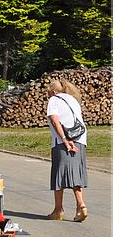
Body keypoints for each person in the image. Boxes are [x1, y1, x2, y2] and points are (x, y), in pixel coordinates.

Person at [45, 79, 87, 222]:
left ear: (54, 91)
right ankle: (80, 206)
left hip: (64, 141)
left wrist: (64, 139)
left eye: (48, 93)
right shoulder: (73, 100)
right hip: (80, 139)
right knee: (76, 173)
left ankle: (59, 210)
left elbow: (54, 120)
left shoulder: (54, 99)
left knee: (59, 175)